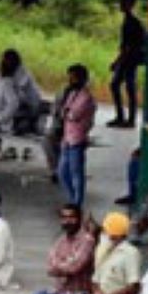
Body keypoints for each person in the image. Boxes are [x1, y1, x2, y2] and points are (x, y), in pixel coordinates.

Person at [53, 65, 97, 206]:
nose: (70, 80)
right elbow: (62, 112)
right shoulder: (72, 94)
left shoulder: (86, 97)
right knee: (62, 172)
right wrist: (65, 112)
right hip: (67, 138)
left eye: (73, 77)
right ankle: (72, 198)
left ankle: (77, 202)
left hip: (77, 139)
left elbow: (73, 114)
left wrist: (65, 112)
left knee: (76, 173)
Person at [108, 0, 145, 128]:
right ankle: (124, 118)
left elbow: (128, 46)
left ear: (131, 4)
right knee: (121, 86)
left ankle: (128, 119)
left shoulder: (132, 23)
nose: (121, 5)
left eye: (124, 2)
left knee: (124, 87)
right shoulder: (130, 21)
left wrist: (117, 61)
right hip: (130, 58)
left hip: (130, 59)